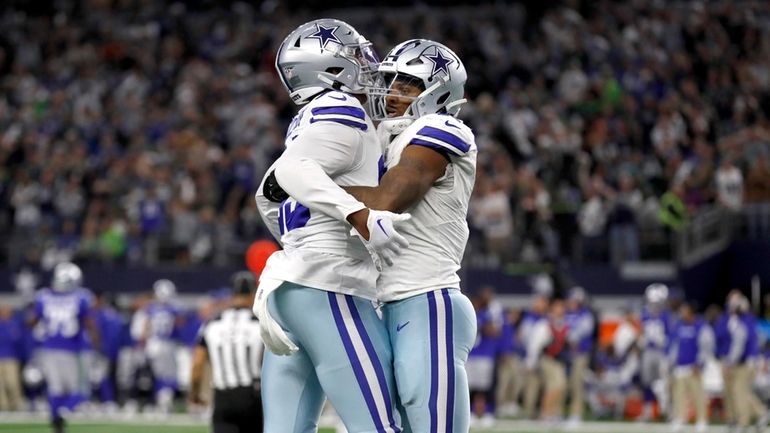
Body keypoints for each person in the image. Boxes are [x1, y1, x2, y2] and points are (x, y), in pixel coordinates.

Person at [253, 18, 408, 433]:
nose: (371, 64)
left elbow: (267, 195)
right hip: (330, 286)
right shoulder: (341, 108)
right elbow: (293, 169)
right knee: (378, 427)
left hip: (291, 289)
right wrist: (358, 217)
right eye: (358, 55)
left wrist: (298, 249)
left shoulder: (310, 117)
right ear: (332, 70)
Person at [342, 39, 479, 432]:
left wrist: (310, 186)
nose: (392, 93)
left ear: (438, 92)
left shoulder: (442, 127)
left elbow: (387, 200)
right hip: (382, 302)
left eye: (407, 85)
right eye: (390, 82)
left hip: (425, 300)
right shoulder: (382, 138)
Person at [29, 262, 99, 433]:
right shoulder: (82, 296)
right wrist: (97, 342)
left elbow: (32, 321)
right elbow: (89, 323)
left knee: (55, 389)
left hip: (49, 348)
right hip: (74, 349)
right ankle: (63, 413)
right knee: (82, 390)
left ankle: (56, 423)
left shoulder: (43, 296)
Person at [190, 271, 264, 433]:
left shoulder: (212, 323)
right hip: (253, 396)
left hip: (223, 397)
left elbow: (197, 364)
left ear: (232, 293)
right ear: (253, 293)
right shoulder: (260, 323)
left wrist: (194, 394)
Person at [134, 279, 182, 414]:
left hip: (153, 344)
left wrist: (142, 343)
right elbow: (178, 325)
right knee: (169, 374)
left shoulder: (151, 308)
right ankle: (164, 399)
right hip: (167, 344)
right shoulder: (174, 309)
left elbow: (146, 327)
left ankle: (160, 399)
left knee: (157, 374)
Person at [668, 302, 714, 432]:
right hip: (680, 366)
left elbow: (706, 346)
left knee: (698, 395)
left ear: (691, 312)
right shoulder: (679, 326)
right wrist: (672, 361)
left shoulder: (700, 326)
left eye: (684, 311)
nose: (682, 313)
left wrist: (700, 363)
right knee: (679, 395)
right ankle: (680, 418)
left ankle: (702, 420)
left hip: (694, 367)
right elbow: (675, 345)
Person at [639, 283, 672, 421]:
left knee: (664, 383)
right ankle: (647, 412)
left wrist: (663, 341)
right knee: (647, 382)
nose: (653, 304)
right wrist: (642, 339)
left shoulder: (666, 316)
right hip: (648, 351)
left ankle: (669, 412)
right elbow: (641, 332)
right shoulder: (645, 314)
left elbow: (671, 335)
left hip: (662, 352)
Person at [564, 286, 595, 427]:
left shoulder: (586, 315)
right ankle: (560, 413)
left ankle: (576, 414)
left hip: (580, 355)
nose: (570, 303)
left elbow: (581, 334)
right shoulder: (566, 314)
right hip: (565, 355)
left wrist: (570, 339)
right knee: (565, 385)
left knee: (577, 385)